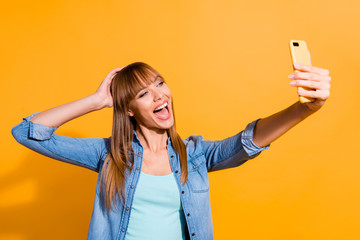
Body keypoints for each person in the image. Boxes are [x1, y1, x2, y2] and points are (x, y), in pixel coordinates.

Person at [11, 62, 331, 240]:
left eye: (160, 83)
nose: (159, 96)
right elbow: (28, 133)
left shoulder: (194, 155)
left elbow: (246, 142)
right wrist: (98, 100)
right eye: (143, 93)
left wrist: (305, 110)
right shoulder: (109, 155)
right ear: (130, 109)